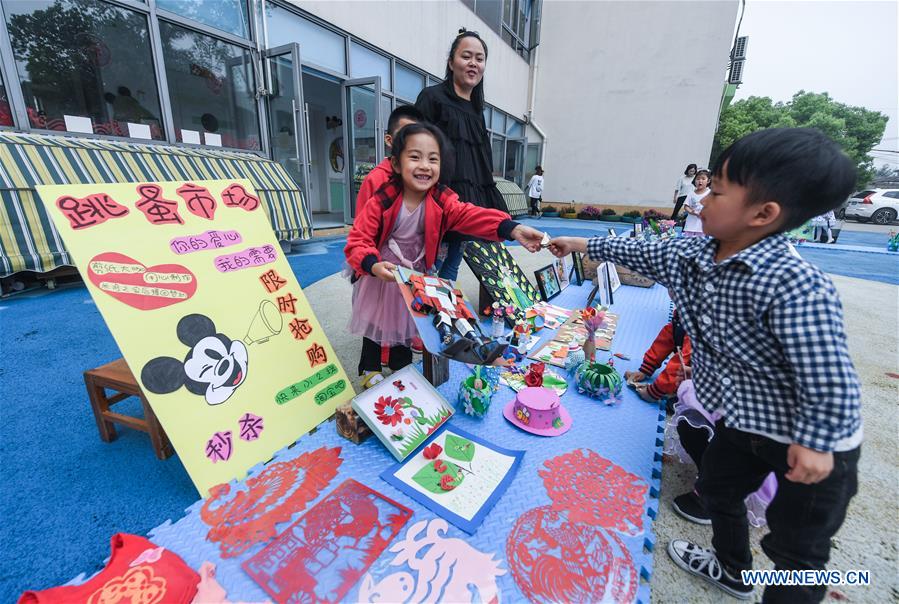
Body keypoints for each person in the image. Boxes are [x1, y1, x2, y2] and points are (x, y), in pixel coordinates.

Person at [548, 127, 861, 602]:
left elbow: (831, 377)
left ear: (763, 213)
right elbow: (637, 250)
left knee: (797, 551)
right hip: (744, 420)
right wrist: (578, 244)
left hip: (811, 440)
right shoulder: (691, 251)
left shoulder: (795, 284)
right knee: (717, 488)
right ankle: (733, 569)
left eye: (716, 191)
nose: (701, 200)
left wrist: (817, 442)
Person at [345, 122, 543, 388]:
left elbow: (468, 214)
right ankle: (369, 368)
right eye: (415, 157)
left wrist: (511, 228)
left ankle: (401, 368)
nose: (425, 166)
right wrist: (371, 264)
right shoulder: (383, 200)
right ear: (396, 164)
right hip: (382, 270)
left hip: (412, 273)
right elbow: (359, 238)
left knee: (407, 320)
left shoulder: (441, 199)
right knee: (375, 320)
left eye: (433, 159)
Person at [416, 29, 508, 282]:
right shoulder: (432, 97)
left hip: (470, 201)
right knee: (427, 268)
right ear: (451, 62)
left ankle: (444, 305)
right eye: (466, 56)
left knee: (452, 265)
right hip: (438, 199)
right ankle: (420, 305)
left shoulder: (477, 110)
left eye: (479, 58)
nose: (473, 63)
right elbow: (415, 149)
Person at [355, 105, 425, 217]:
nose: (411, 142)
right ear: (389, 140)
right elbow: (362, 224)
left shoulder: (425, 175)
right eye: (404, 135)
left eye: (416, 136)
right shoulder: (375, 180)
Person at [624, 309, 692, 404]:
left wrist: (654, 392)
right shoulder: (686, 313)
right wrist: (646, 369)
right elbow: (665, 340)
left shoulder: (702, 329)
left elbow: (681, 363)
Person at [682, 168, 711, 237]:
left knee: (700, 241)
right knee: (688, 240)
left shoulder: (710, 193)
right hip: (690, 224)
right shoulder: (691, 193)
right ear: (695, 180)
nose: (700, 181)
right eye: (698, 179)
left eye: (703, 179)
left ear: (708, 181)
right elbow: (686, 206)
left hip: (702, 225)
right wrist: (692, 212)